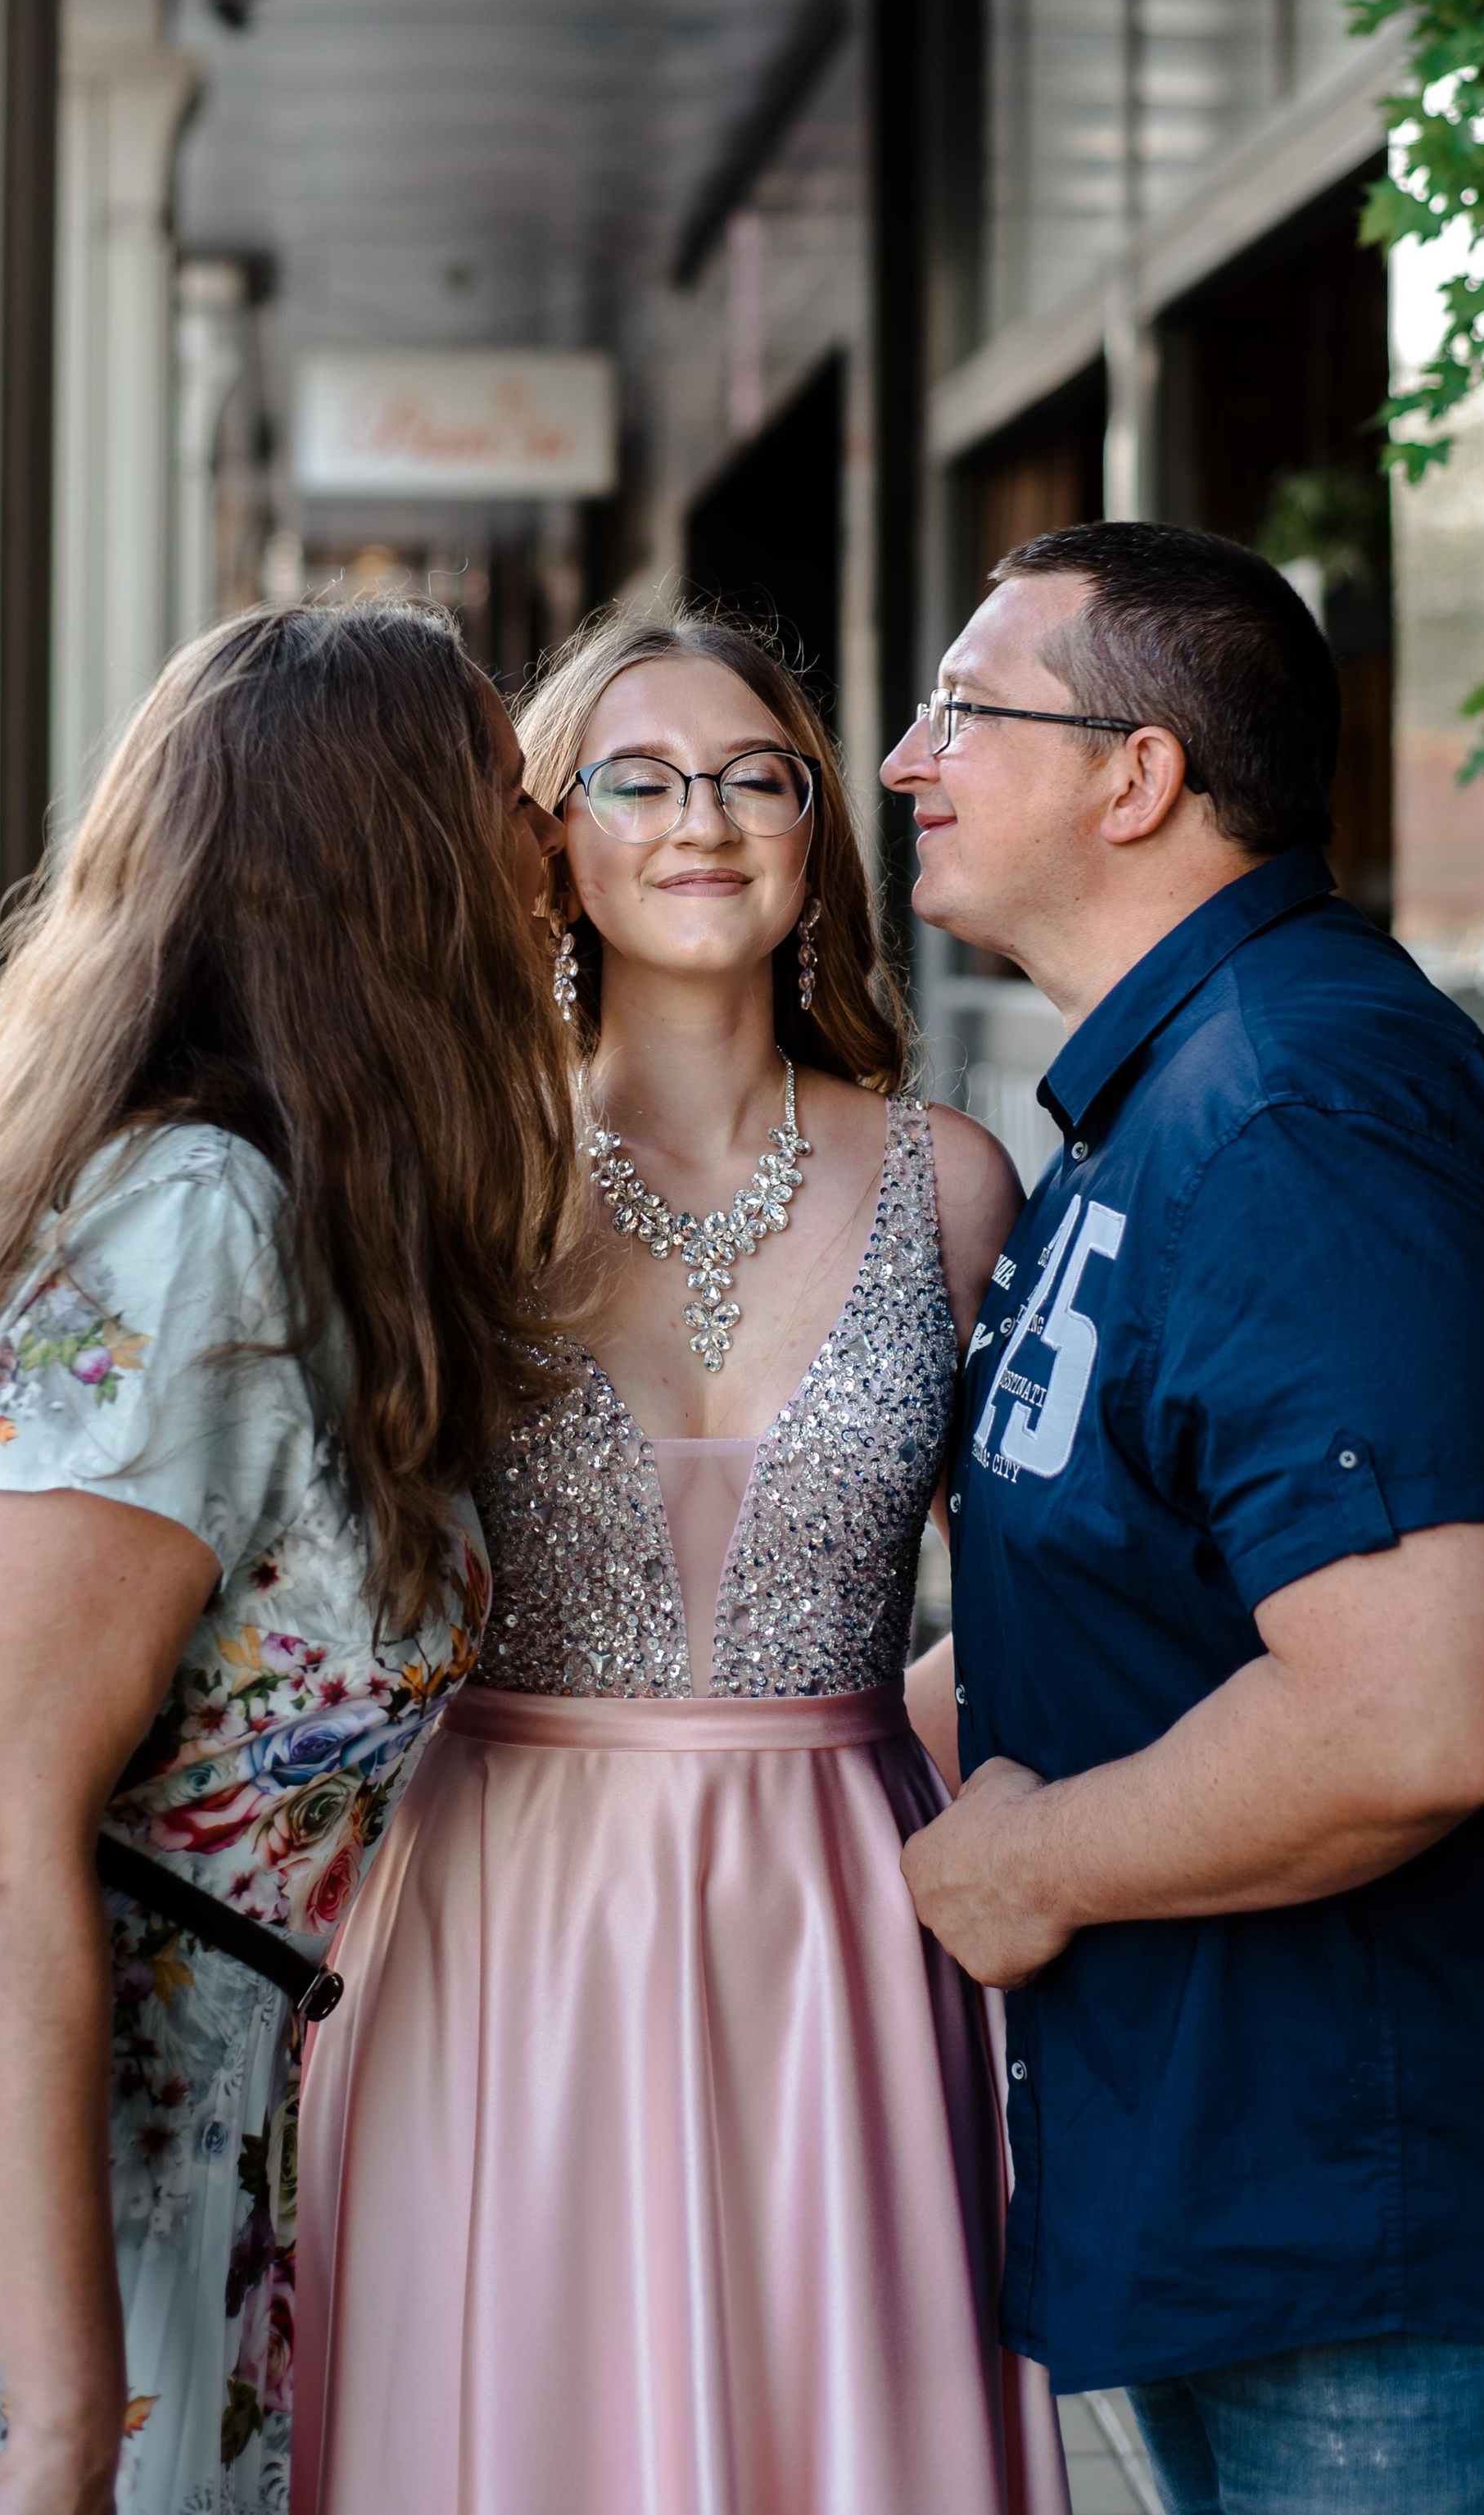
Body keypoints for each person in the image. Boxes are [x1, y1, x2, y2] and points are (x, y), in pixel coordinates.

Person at [0, 600, 574, 2515]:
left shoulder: (292, 1222)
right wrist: (61, 2422)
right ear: (387, 852)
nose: (546, 834)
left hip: (95, 2137)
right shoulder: (201, 1226)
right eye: (503, 783)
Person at [883, 520, 1484, 2515]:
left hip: (1423, 2269)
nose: (905, 758)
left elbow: (1407, 1710)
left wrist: (1036, 1863)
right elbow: (1159, 1580)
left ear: (1134, 776)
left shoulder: (1290, 1107)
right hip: (1275, 2236)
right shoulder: (1173, 1096)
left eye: (960, 709)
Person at [293, 609, 1071, 2515]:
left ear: (815, 831)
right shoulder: (447, 1183)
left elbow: (1072, 1588)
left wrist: (860, 1759)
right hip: (497, 1929)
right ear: (545, 838)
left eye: (754, 775)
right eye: (632, 778)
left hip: (844, 1937)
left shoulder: (953, 1183)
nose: (699, 818)